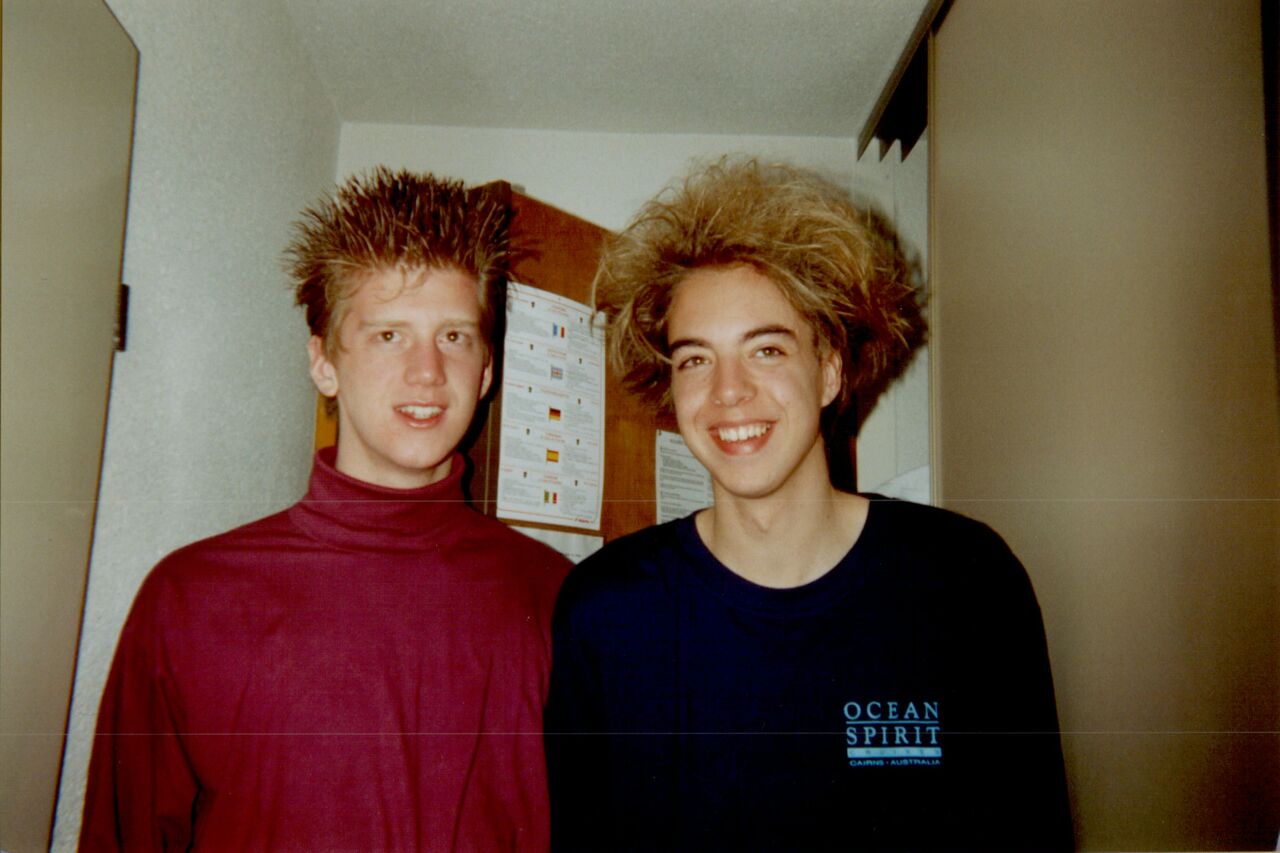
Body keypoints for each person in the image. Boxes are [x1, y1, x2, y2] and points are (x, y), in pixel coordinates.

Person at [544, 158, 1073, 851]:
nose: (728, 391)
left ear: (828, 370)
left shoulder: (967, 582)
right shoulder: (605, 613)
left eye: (765, 350)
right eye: (696, 359)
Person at [81, 168, 571, 850]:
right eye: (388, 335)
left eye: (455, 336)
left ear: (486, 369)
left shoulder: (558, 597)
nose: (428, 371)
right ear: (323, 363)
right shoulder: (190, 597)